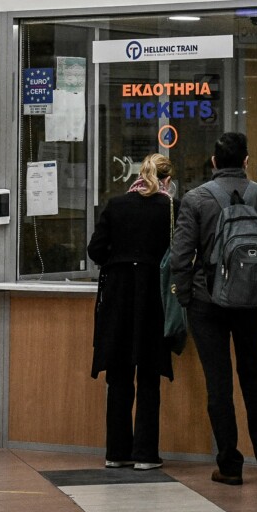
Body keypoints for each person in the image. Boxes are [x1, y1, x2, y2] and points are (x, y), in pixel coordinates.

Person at [167, 131, 257, 485]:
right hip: (252, 303)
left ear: (213, 162)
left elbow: (180, 256)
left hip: (207, 303)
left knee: (218, 383)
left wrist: (186, 296)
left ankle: (229, 465)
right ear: (246, 161)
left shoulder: (196, 200)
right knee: (253, 375)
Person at [87, 153, 177, 470]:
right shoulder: (169, 208)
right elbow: (178, 254)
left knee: (119, 373)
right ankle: (145, 454)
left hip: (119, 296)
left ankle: (117, 452)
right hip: (153, 296)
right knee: (149, 375)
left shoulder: (116, 205)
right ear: (167, 180)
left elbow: (94, 249)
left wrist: (120, 259)